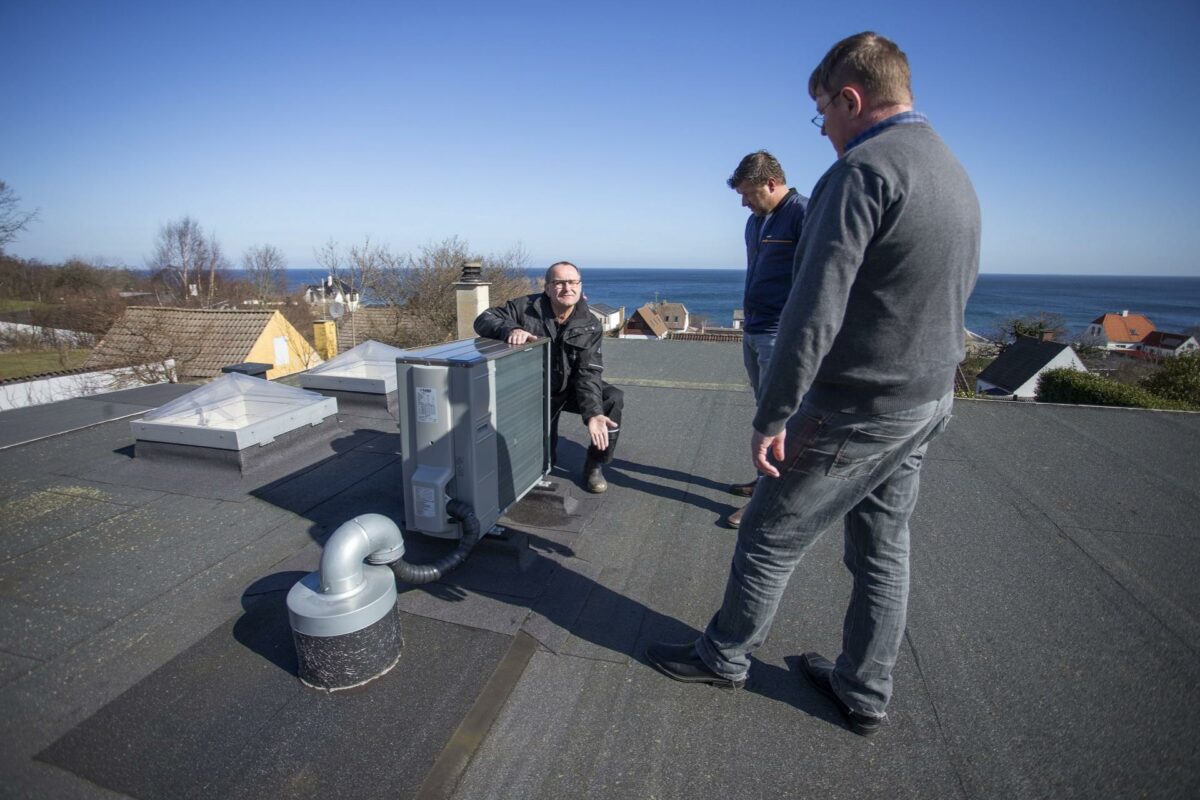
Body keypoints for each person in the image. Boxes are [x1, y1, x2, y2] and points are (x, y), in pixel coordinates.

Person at [647, 32, 981, 737]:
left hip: (858, 406)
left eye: (822, 110)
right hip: (926, 398)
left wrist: (774, 414)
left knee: (768, 534)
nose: (823, 126)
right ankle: (864, 688)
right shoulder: (950, 168)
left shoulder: (863, 171)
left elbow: (814, 306)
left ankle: (724, 656)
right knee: (882, 545)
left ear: (850, 98)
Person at [474, 261, 622, 494]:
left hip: (571, 387)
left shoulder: (590, 324)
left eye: (573, 282)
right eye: (560, 283)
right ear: (548, 287)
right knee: (544, 461)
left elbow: (588, 372)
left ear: (580, 286)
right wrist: (510, 330)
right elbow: (483, 319)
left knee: (612, 399)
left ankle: (594, 464)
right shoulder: (523, 308)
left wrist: (593, 413)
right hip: (535, 389)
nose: (567, 288)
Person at [724, 151, 807, 529]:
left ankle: (772, 502)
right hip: (755, 329)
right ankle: (764, 482)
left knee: (781, 416)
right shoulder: (754, 223)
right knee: (765, 412)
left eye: (747, 193)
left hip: (781, 333)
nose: (743, 202)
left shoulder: (804, 215)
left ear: (770, 184)